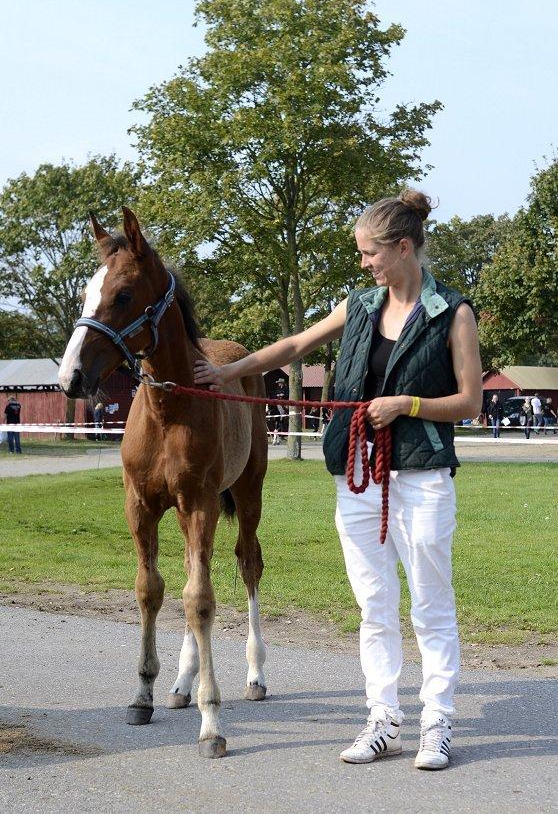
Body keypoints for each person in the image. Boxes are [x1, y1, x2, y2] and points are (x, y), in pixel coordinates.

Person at [193, 190, 482, 771]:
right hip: (357, 475)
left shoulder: (453, 313)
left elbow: (470, 401)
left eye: (370, 252)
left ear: (404, 248)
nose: (363, 262)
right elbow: (294, 345)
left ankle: (436, 723)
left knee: (430, 605)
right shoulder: (360, 305)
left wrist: (408, 405)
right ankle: (383, 719)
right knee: (374, 604)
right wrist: (228, 371)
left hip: (422, 476)